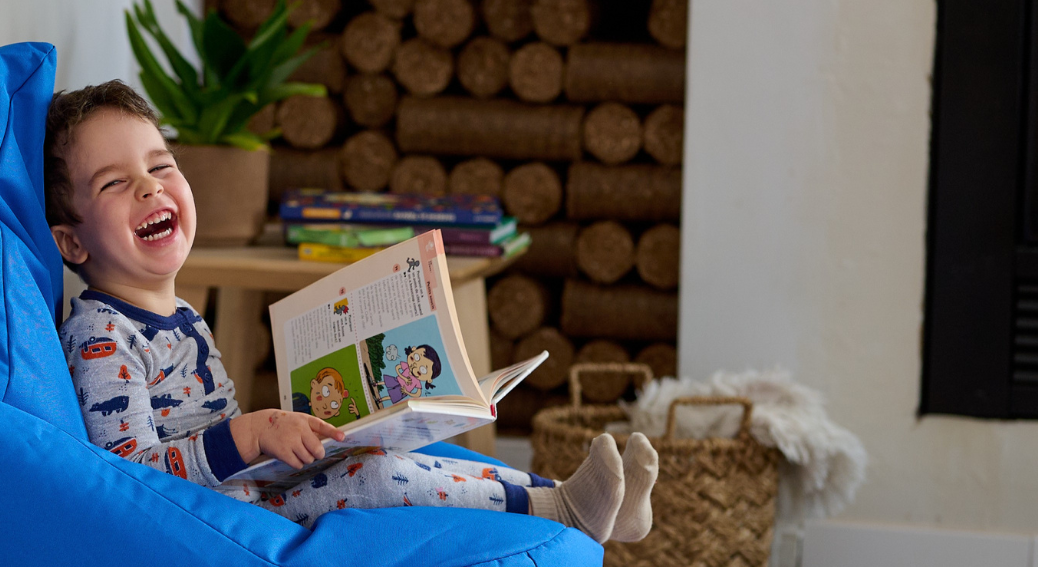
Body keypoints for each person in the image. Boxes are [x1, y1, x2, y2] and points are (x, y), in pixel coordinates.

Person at [47, 80, 658, 541]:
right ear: (72, 243)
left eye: (160, 166)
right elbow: (126, 477)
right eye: (114, 183)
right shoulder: (102, 333)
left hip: (246, 488)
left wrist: (293, 429)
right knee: (368, 476)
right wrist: (253, 432)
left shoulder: (180, 312)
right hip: (211, 523)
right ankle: (567, 512)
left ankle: (573, 497)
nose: (150, 187)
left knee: (380, 452)